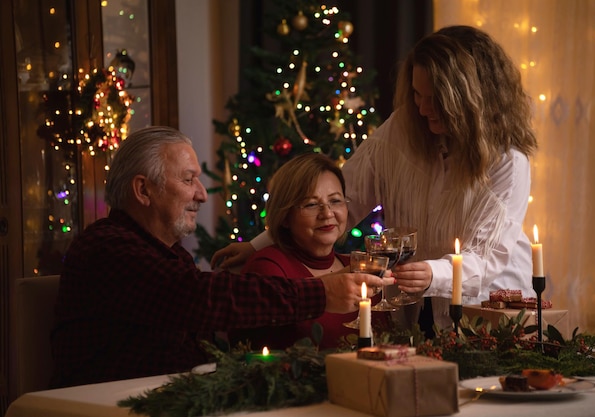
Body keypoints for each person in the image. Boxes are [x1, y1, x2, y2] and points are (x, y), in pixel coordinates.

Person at [211, 25, 538, 338]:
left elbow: (487, 259)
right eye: (416, 95)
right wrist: (257, 245)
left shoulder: (508, 162)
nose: (422, 108)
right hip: (417, 308)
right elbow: (342, 199)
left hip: (488, 310)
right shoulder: (404, 127)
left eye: (434, 98)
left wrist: (434, 273)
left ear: (467, 99)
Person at [50, 126, 386, 388]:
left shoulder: (168, 255)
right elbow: (197, 298)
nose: (201, 194)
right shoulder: (107, 249)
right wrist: (321, 293)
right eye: (188, 179)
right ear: (143, 190)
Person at [230, 153, 387, 350]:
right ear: (285, 216)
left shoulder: (358, 267)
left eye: (336, 201)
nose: (327, 213)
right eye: (311, 204)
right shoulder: (268, 267)